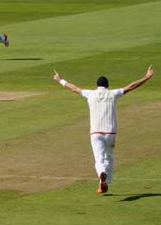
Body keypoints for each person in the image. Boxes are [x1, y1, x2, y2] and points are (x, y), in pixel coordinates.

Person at [53, 66, 155, 194]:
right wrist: (147, 77)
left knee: (99, 159)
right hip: (110, 132)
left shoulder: (90, 94)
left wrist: (60, 79)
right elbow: (131, 86)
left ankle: (102, 175)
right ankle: (107, 181)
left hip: (95, 133)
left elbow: (74, 88)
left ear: (97, 85)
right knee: (109, 157)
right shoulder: (112, 94)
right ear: (107, 85)